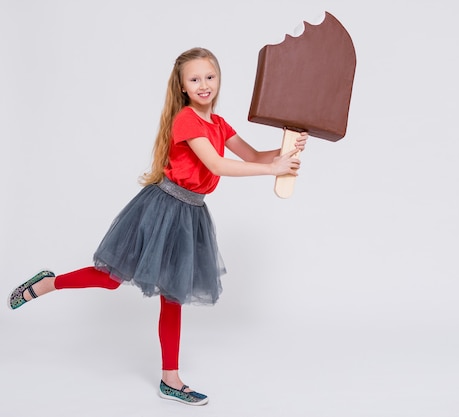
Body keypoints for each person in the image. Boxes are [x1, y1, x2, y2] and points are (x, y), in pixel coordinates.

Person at [8, 47, 307, 406]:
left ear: (219, 79)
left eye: (209, 77)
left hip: (192, 214)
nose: (203, 85)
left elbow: (253, 156)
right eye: (194, 79)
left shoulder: (219, 124)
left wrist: (284, 152)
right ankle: (48, 283)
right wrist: (270, 170)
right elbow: (216, 165)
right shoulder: (187, 121)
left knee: (173, 294)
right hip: (162, 209)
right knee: (111, 277)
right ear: (182, 87)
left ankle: (170, 379)